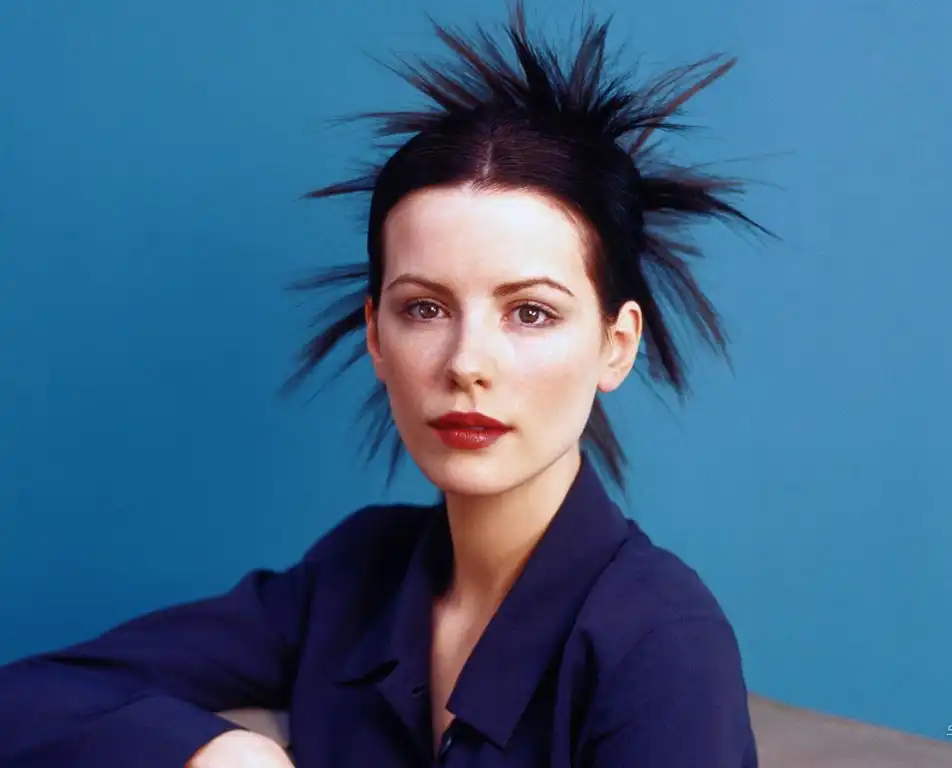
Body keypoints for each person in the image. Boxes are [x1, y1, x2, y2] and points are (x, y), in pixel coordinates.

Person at [0, 3, 768, 766]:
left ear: (616, 345)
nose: (466, 362)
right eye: (424, 308)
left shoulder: (662, 644)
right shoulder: (355, 575)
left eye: (530, 312)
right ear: (375, 334)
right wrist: (216, 751)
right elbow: (28, 697)